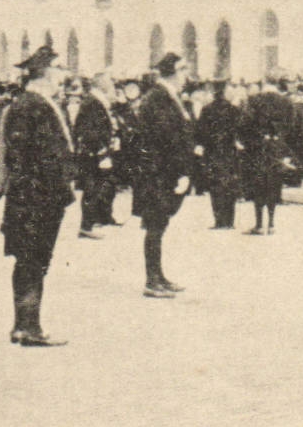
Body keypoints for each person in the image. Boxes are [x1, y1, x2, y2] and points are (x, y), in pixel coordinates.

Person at [0, 44, 76, 346]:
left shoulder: (40, 102)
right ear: (45, 72)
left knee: (32, 260)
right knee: (32, 259)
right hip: (35, 199)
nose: (63, 74)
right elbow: (26, 156)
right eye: (59, 69)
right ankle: (29, 326)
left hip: (40, 198)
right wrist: (51, 188)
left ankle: (24, 324)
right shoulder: (30, 105)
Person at [130, 52, 195, 297]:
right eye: (183, 71)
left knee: (159, 224)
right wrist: (179, 171)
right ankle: (152, 280)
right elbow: (165, 139)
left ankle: (158, 276)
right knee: (155, 225)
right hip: (158, 174)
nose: (186, 77)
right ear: (173, 73)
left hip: (162, 173)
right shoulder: (158, 97)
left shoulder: (167, 95)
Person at [241, 77, 293, 234]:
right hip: (277, 148)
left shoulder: (254, 100)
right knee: (273, 184)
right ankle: (271, 224)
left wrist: (249, 142)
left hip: (258, 149)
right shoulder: (286, 102)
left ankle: (258, 224)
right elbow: (292, 126)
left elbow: (245, 123)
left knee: (258, 185)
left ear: (264, 84)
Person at [73, 73, 121, 237]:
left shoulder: (95, 101)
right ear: (103, 85)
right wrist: (101, 153)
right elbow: (90, 131)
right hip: (93, 154)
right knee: (91, 189)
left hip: (96, 152)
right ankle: (86, 226)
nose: (112, 87)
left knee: (96, 188)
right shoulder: (92, 102)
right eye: (110, 84)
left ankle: (92, 222)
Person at [196, 80, 244, 229]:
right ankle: (229, 221)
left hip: (213, 152)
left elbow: (200, 132)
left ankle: (219, 221)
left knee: (216, 186)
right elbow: (240, 131)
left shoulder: (206, 109)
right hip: (230, 152)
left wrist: (203, 145)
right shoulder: (234, 110)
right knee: (230, 185)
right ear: (224, 92)